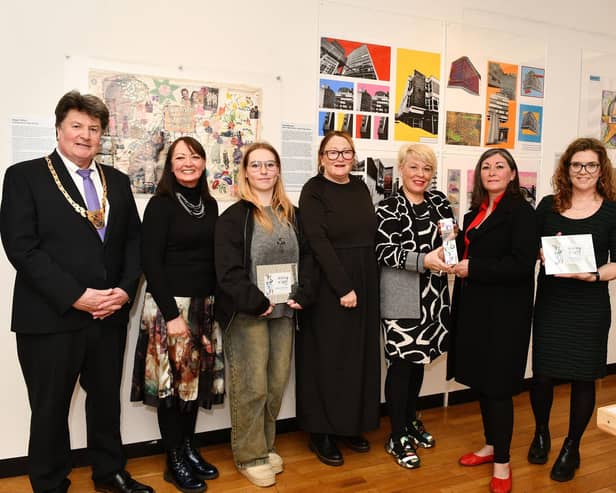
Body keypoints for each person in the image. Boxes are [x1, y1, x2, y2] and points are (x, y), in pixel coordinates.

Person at [0, 91, 152, 493]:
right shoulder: (24, 176)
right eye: (77, 126)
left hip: (109, 315)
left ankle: (110, 472)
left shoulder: (116, 182)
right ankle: (49, 483)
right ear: (59, 128)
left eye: (94, 128)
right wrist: (75, 296)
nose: (85, 135)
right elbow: (21, 248)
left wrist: (123, 290)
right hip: (51, 317)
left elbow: (134, 244)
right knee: (49, 408)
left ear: (102, 135)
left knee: (105, 402)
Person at [215, 142, 315, 487]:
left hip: (285, 314)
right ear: (245, 172)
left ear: (278, 171)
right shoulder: (233, 217)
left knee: (274, 385)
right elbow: (227, 271)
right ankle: (249, 455)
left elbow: (310, 260)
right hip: (249, 315)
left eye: (270, 165)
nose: (263, 171)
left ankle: (265, 444)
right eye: (256, 165)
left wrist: (304, 293)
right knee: (251, 386)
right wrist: (255, 302)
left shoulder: (292, 213)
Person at [131, 136, 224, 493]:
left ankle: (188, 447)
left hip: (204, 307)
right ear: (170, 165)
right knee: (171, 388)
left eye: (195, 156)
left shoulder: (210, 204)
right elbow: (150, 263)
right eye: (180, 157)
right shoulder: (160, 205)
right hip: (170, 309)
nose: (189, 163)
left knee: (195, 384)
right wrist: (171, 314)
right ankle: (173, 460)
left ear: (203, 162)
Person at [448, 148, 537, 493]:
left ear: (513, 174)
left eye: (500, 166)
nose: (492, 171)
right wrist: (450, 246)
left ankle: (502, 464)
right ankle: (490, 446)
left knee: (498, 387)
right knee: (483, 383)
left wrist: (475, 268)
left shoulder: (522, 213)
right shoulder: (476, 212)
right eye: (486, 166)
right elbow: (469, 250)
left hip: (505, 315)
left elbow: (520, 264)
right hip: (475, 309)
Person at [527, 137, 616, 482]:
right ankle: (541, 433)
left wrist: (593, 275)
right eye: (576, 164)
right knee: (543, 375)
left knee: (583, 377)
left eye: (590, 165)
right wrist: (541, 253)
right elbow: (531, 248)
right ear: (567, 169)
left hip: (589, 305)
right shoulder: (549, 205)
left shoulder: (612, 210)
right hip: (552, 302)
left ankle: (571, 446)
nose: (583, 171)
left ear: (600, 169)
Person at [296, 130, 380, 467]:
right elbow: (317, 242)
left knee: (356, 356)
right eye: (332, 153)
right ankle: (321, 432)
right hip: (330, 282)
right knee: (327, 358)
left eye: (346, 152)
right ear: (321, 158)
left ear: (354, 156)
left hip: (365, 279)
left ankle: (349, 424)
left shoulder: (361, 187)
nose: (340, 158)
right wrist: (343, 286)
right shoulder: (313, 191)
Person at [376, 144, 453, 469]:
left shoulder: (440, 202)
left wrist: (451, 249)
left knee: (420, 362)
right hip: (401, 294)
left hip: (434, 295)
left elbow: (450, 244)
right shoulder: (387, 207)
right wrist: (425, 259)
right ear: (402, 169)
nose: (420, 175)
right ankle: (396, 435)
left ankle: (409, 421)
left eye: (426, 169)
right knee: (401, 365)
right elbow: (382, 251)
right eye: (414, 168)